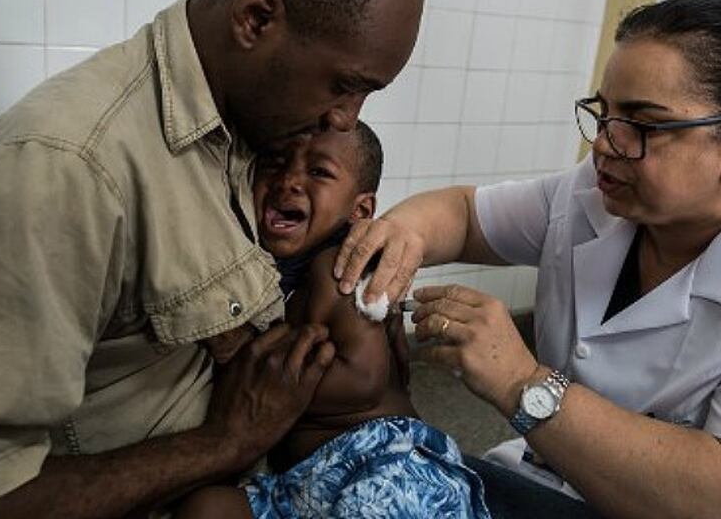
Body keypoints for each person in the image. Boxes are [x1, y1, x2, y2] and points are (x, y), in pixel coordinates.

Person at [0, 0, 424, 518]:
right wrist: (223, 443)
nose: (345, 118)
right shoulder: (70, 166)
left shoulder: (256, 126)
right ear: (256, 19)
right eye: (344, 86)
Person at [334, 0, 721, 518]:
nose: (605, 145)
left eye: (643, 125)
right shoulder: (599, 193)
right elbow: (464, 215)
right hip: (574, 481)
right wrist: (402, 234)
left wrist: (520, 381)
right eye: (604, 113)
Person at [178, 123, 489, 518]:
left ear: (360, 211)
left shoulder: (338, 268)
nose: (289, 181)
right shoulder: (266, 271)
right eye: (275, 163)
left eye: (319, 171)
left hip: (381, 462)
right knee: (206, 507)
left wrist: (252, 360)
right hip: (301, 484)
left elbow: (363, 379)